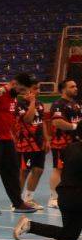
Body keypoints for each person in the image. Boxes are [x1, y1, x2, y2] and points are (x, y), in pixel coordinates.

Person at [0, 73, 36, 215]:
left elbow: (8, 117)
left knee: (12, 171)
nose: (22, 93)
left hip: (7, 139)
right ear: (14, 83)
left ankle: (18, 203)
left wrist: (12, 134)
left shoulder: (13, 96)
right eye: (21, 89)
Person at [15, 141, 82, 240]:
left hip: (64, 196)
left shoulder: (71, 147)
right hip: (76, 197)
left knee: (69, 235)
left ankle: (29, 225)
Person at [47, 79, 80, 209]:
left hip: (75, 143)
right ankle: (53, 198)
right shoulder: (58, 104)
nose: (75, 88)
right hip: (61, 143)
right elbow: (57, 122)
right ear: (63, 89)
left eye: (75, 86)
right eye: (72, 86)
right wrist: (75, 127)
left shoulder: (76, 104)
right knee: (58, 168)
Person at [15, 79, 46, 210]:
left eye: (38, 88)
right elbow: (28, 119)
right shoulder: (19, 104)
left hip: (39, 143)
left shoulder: (40, 104)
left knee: (38, 170)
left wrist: (46, 139)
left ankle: (29, 198)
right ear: (27, 90)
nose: (38, 91)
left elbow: (41, 122)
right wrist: (32, 102)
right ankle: (16, 201)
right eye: (35, 88)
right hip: (26, 144)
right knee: (24, 172)